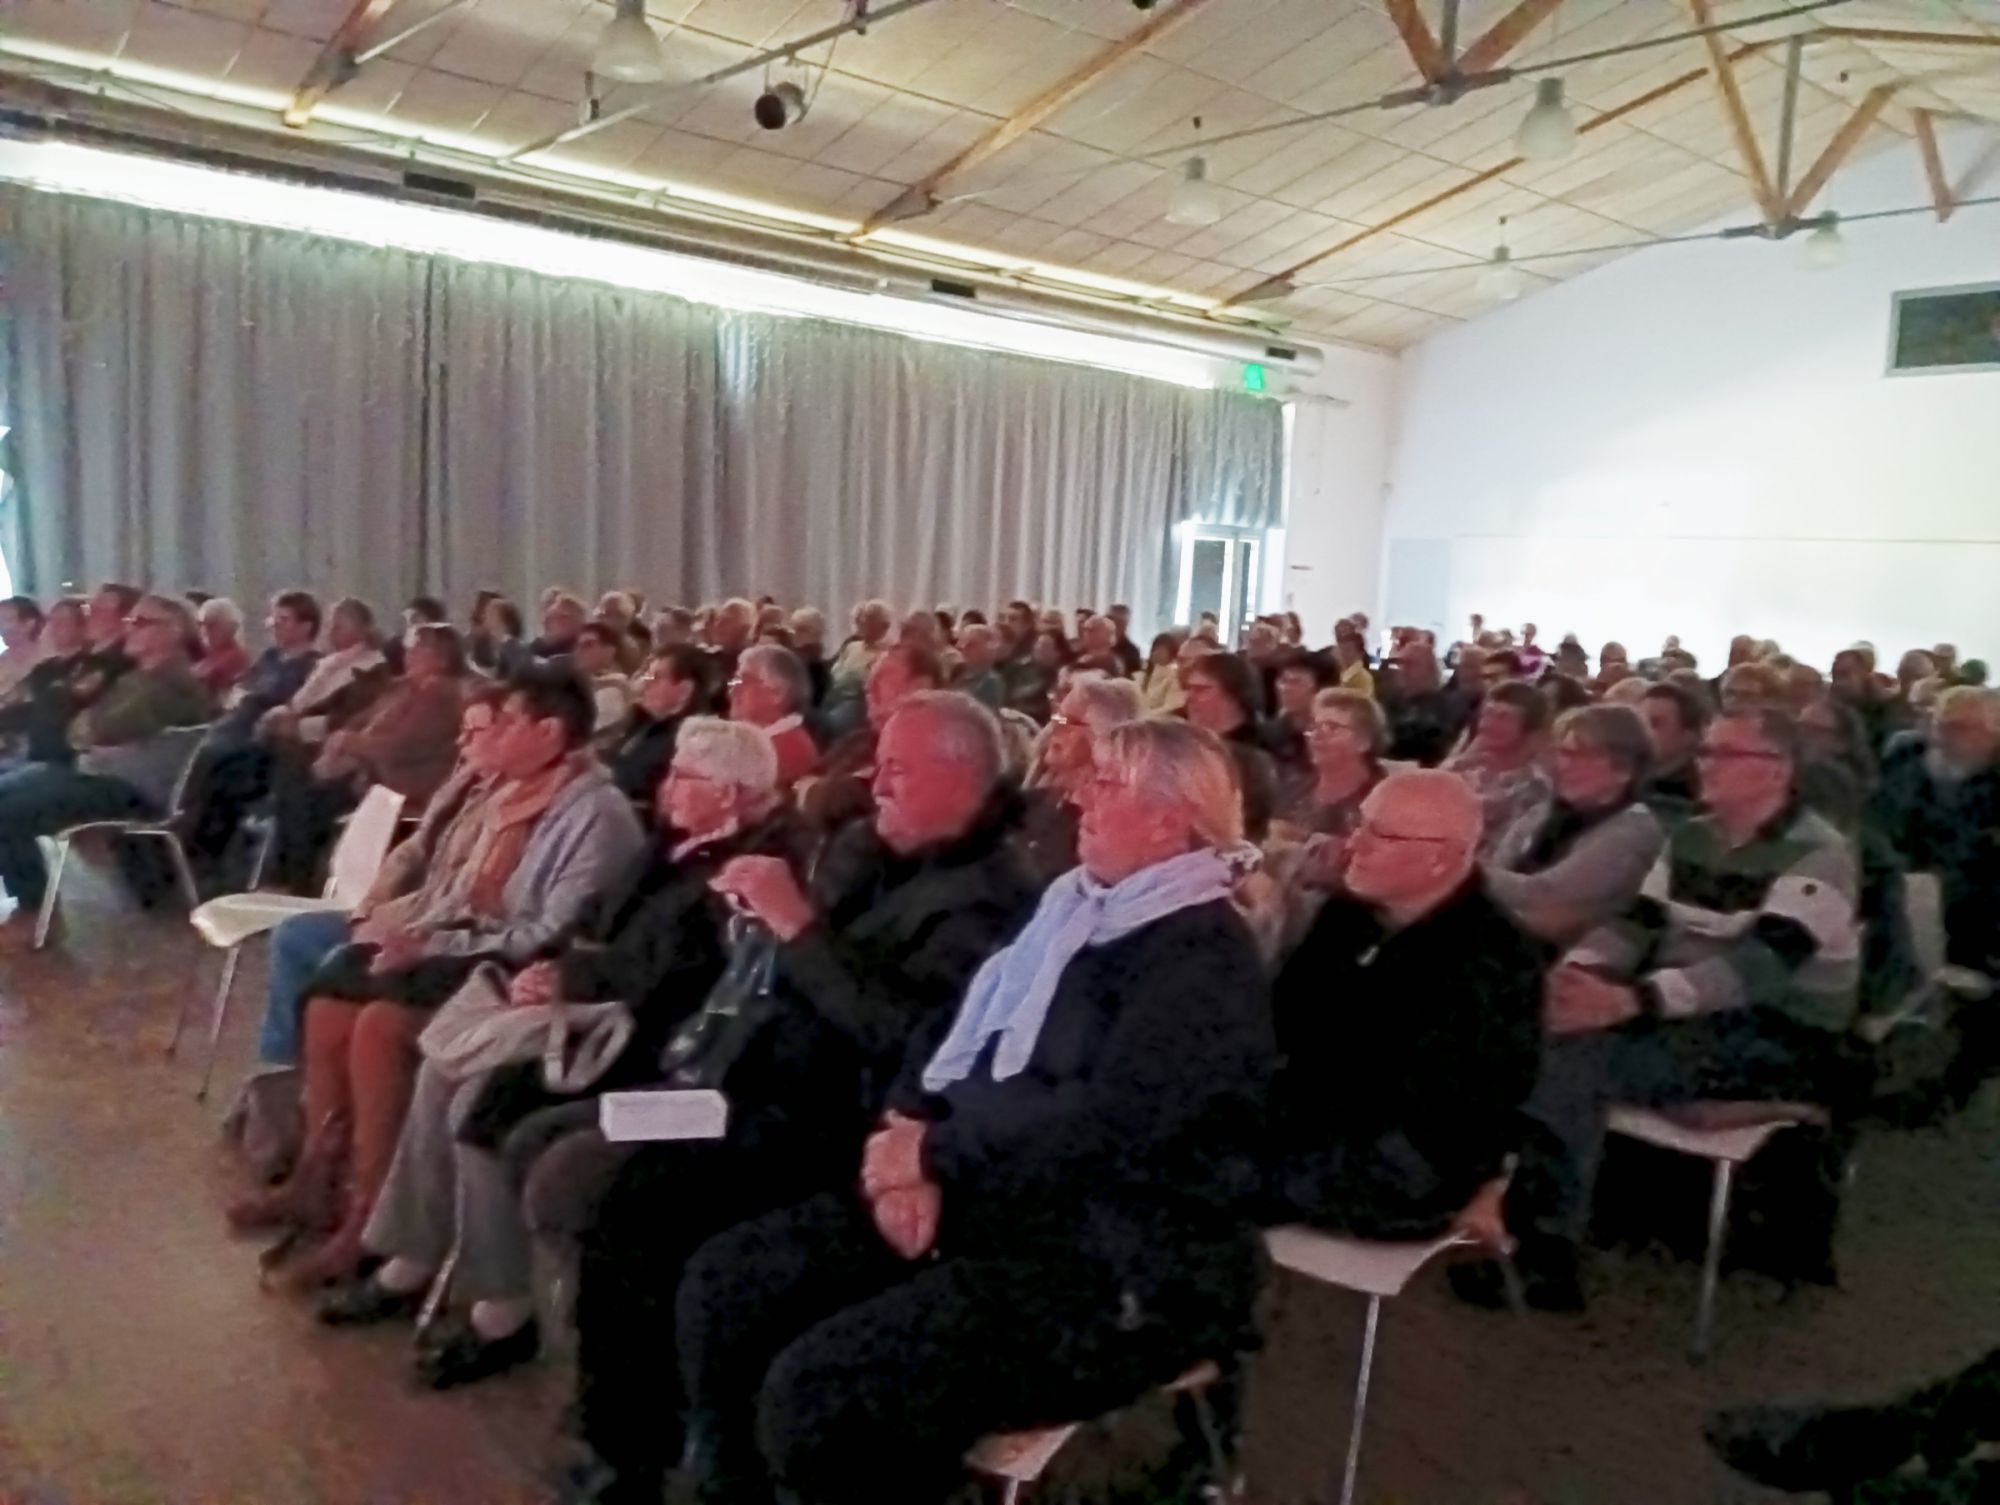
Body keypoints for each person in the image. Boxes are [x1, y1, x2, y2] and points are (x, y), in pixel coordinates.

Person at [676, 718, 1274, 1505]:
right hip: (986, 1192)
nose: (1079, 798)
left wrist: (932, 1156)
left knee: (825, 1397)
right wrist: (904, 1129)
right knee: (731, 1286)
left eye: (1105, 784)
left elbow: (1100, 1128)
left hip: (1115, 1261)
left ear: (1168, 821)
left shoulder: (1202, 962)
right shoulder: (1073, 909)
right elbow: (949, 1029)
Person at [564, 691, 1039, 1503]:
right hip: (773, 1092)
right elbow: (798, 983)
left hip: (852, 1131)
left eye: (897, 769)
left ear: (959, 778)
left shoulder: (989, 901)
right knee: (622, 1194)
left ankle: (662, 1460)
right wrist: (758, 930)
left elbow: (909, 1040)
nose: (875, 782)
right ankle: (636, 1440)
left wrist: (798, 928)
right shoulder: (878, 851)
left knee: (654, 1219)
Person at [315, 718, 803, 1389]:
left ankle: (502, 1308)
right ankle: (410, 1253)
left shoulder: (749, 869)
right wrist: (554, 966)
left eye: (686, 776)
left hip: (644, 1039)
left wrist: (572, 976)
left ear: (730, 794)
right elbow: (596, 921)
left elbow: (682, 975)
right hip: (593, 1006)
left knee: (483, 1097)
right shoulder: (673, 845)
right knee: (441, 1065)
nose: (667, 785)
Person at [226, 666, 645, 1288]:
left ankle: (368, 1219)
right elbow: (454, 888)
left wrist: (429, 943)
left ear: (550, 732)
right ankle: (319, 1177)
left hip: (518, 972)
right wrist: (410, 930)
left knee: (380, 1023)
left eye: (508, 722)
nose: (492, 735)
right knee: (330, 999)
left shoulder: (594, 816)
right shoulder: (514, 794)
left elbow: (546, 933)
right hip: (470, 949)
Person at [1469, 708, 1861, 1310]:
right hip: (1685, 1009)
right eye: (1705, 751)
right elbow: (1635, 925)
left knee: (1572, 1061)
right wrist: (1579, 973)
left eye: (1724, 754)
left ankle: (1547, 1248)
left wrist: (1632, 1000)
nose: (1704, 764)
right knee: (1535, 1027)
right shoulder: (1691, 836)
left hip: (1780, 1031)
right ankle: (1518, 1215)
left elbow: (1759, 969)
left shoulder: (1820, 855)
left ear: (1776, 771)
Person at [1268, 770, 1542, 1238]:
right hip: (1318, 1121)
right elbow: (1285, 1019)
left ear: (1439, 859)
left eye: (1380, 834)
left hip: (1410, 1165)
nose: (1354, 843)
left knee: (1192, 1172)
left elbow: (1440, 1112)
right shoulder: (1349, 913)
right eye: (1359, 823)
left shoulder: (1490, 961)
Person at [0, 595, 210, 945]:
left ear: (173, 631)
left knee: (9, 809)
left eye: (141, 622)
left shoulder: (170, 681)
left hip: (130, 788)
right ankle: (30, 907)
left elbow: (99, 728)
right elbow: (80, 726)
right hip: (101, 775)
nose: (129, 628)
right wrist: (86, 729)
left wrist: (87, 729)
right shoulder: (138, 678)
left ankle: (35, 913)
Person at [264, 624, 470, 893]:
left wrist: (349, 742)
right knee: (287, 773)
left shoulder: (440, 697)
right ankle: (284, 878)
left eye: (419, 649)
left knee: (304, 798)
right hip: (366, 770)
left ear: (443, 658)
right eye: (410, 648)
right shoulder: (405, 688)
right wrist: (343, 738)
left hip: (395, 784)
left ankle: (294, 883)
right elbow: (360, 720)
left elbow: (398, 748)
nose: (409, 655)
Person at [1485, 705, 1665, 948]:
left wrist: (1471, 876)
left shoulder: (1633, 831)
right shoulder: (1547, 810)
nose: (1564, 765)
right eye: (1564, 752)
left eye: (1580, 755)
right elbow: (1499, 865)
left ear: (1624, 769)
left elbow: (1545, 893)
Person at [178, 591, 326, 871]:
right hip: (232, 725)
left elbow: (288, 703)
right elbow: (241, 688)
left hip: (259, 740)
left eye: (283, 620)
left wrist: (252, 699)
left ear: (306, 626)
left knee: (213, 762)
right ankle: (189, 836)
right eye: (274, 619)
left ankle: (189, 839)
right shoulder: (270, 657)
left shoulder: (312, 666)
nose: (274, 626)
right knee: (195, 749)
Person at [1869, 685, 2000, 978]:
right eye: (1939, 725)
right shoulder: (1905, 764)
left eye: (1959, 728)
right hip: (1898, 898)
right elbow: (1875, 826)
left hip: (1976, 921)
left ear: (1995, 734)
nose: (1942, 738)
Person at [1017, 674, 1143, 882]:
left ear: (1103, 734)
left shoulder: (1105, 821)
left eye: (1069, 721)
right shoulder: (1040, 799)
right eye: (1057, 717)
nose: (1054, 728)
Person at [1445, 680, 1553, 857]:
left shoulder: (1534, 789)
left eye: (1503, 718)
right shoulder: (1462, 769)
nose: (1488, 724)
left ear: (1530, 731)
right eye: (1487, 715)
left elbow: (1507, 855)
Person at [1180, 651, 1278, 840]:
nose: (1189, 698)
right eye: (1188, 689)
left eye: (1201, 690)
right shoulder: (1183, 743)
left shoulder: (1261, 753)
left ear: (1234, 695)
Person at [603, 644, 710, 808]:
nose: (645, 684)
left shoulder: (689, 743)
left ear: (684, 691)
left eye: (656, 678)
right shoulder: (641, 722)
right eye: (647, 676)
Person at [727, 645, 820, 790]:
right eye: (734, 681)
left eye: (742, 681)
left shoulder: (788, 750)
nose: (733, 690)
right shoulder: (758, 741)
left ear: (778, 693)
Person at [1638, 681, 1707, 821]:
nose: (1643, 731)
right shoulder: (1628, 782)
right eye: (1640, 722)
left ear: (1689, 735)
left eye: (1655, 724)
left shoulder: (1700, 792)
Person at [191, 597, 253, 706]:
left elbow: (209, 679)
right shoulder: (208, 653)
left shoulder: (235, 656)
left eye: (211, 625)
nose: (205, 631)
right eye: (202, 625)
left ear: (231, 627)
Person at [573, 624, 633, 736]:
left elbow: (597, 733)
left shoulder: (612, 689)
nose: (578, 651)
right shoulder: (579, 683)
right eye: (577, 645)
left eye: (588, 645)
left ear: (610, 650)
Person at [0, 595, 48, 701]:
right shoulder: (2, 661)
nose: (1, 626)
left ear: (29, 623)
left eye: (7, 620)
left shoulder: (48, 660)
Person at [1138, 632, 1185, 715]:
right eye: (1155, 649)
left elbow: (1170, 707)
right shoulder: (1141, 673)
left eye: (1162, 651)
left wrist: (1146, 715)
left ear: (1171, 655)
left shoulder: (1174, 677)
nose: (1157, 653)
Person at [531, 594, 589, 662]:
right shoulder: (533, 652)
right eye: (547, 618)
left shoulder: (587, 657)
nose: (545, 623)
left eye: (552, 618)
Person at [1107, 603, 1143, 677]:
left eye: (1119, 622)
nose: (1113, 625)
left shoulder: (1132, 652)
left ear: (1126, 625)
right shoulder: (1096, 644)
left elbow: (1134, 679)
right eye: (1110, 620)